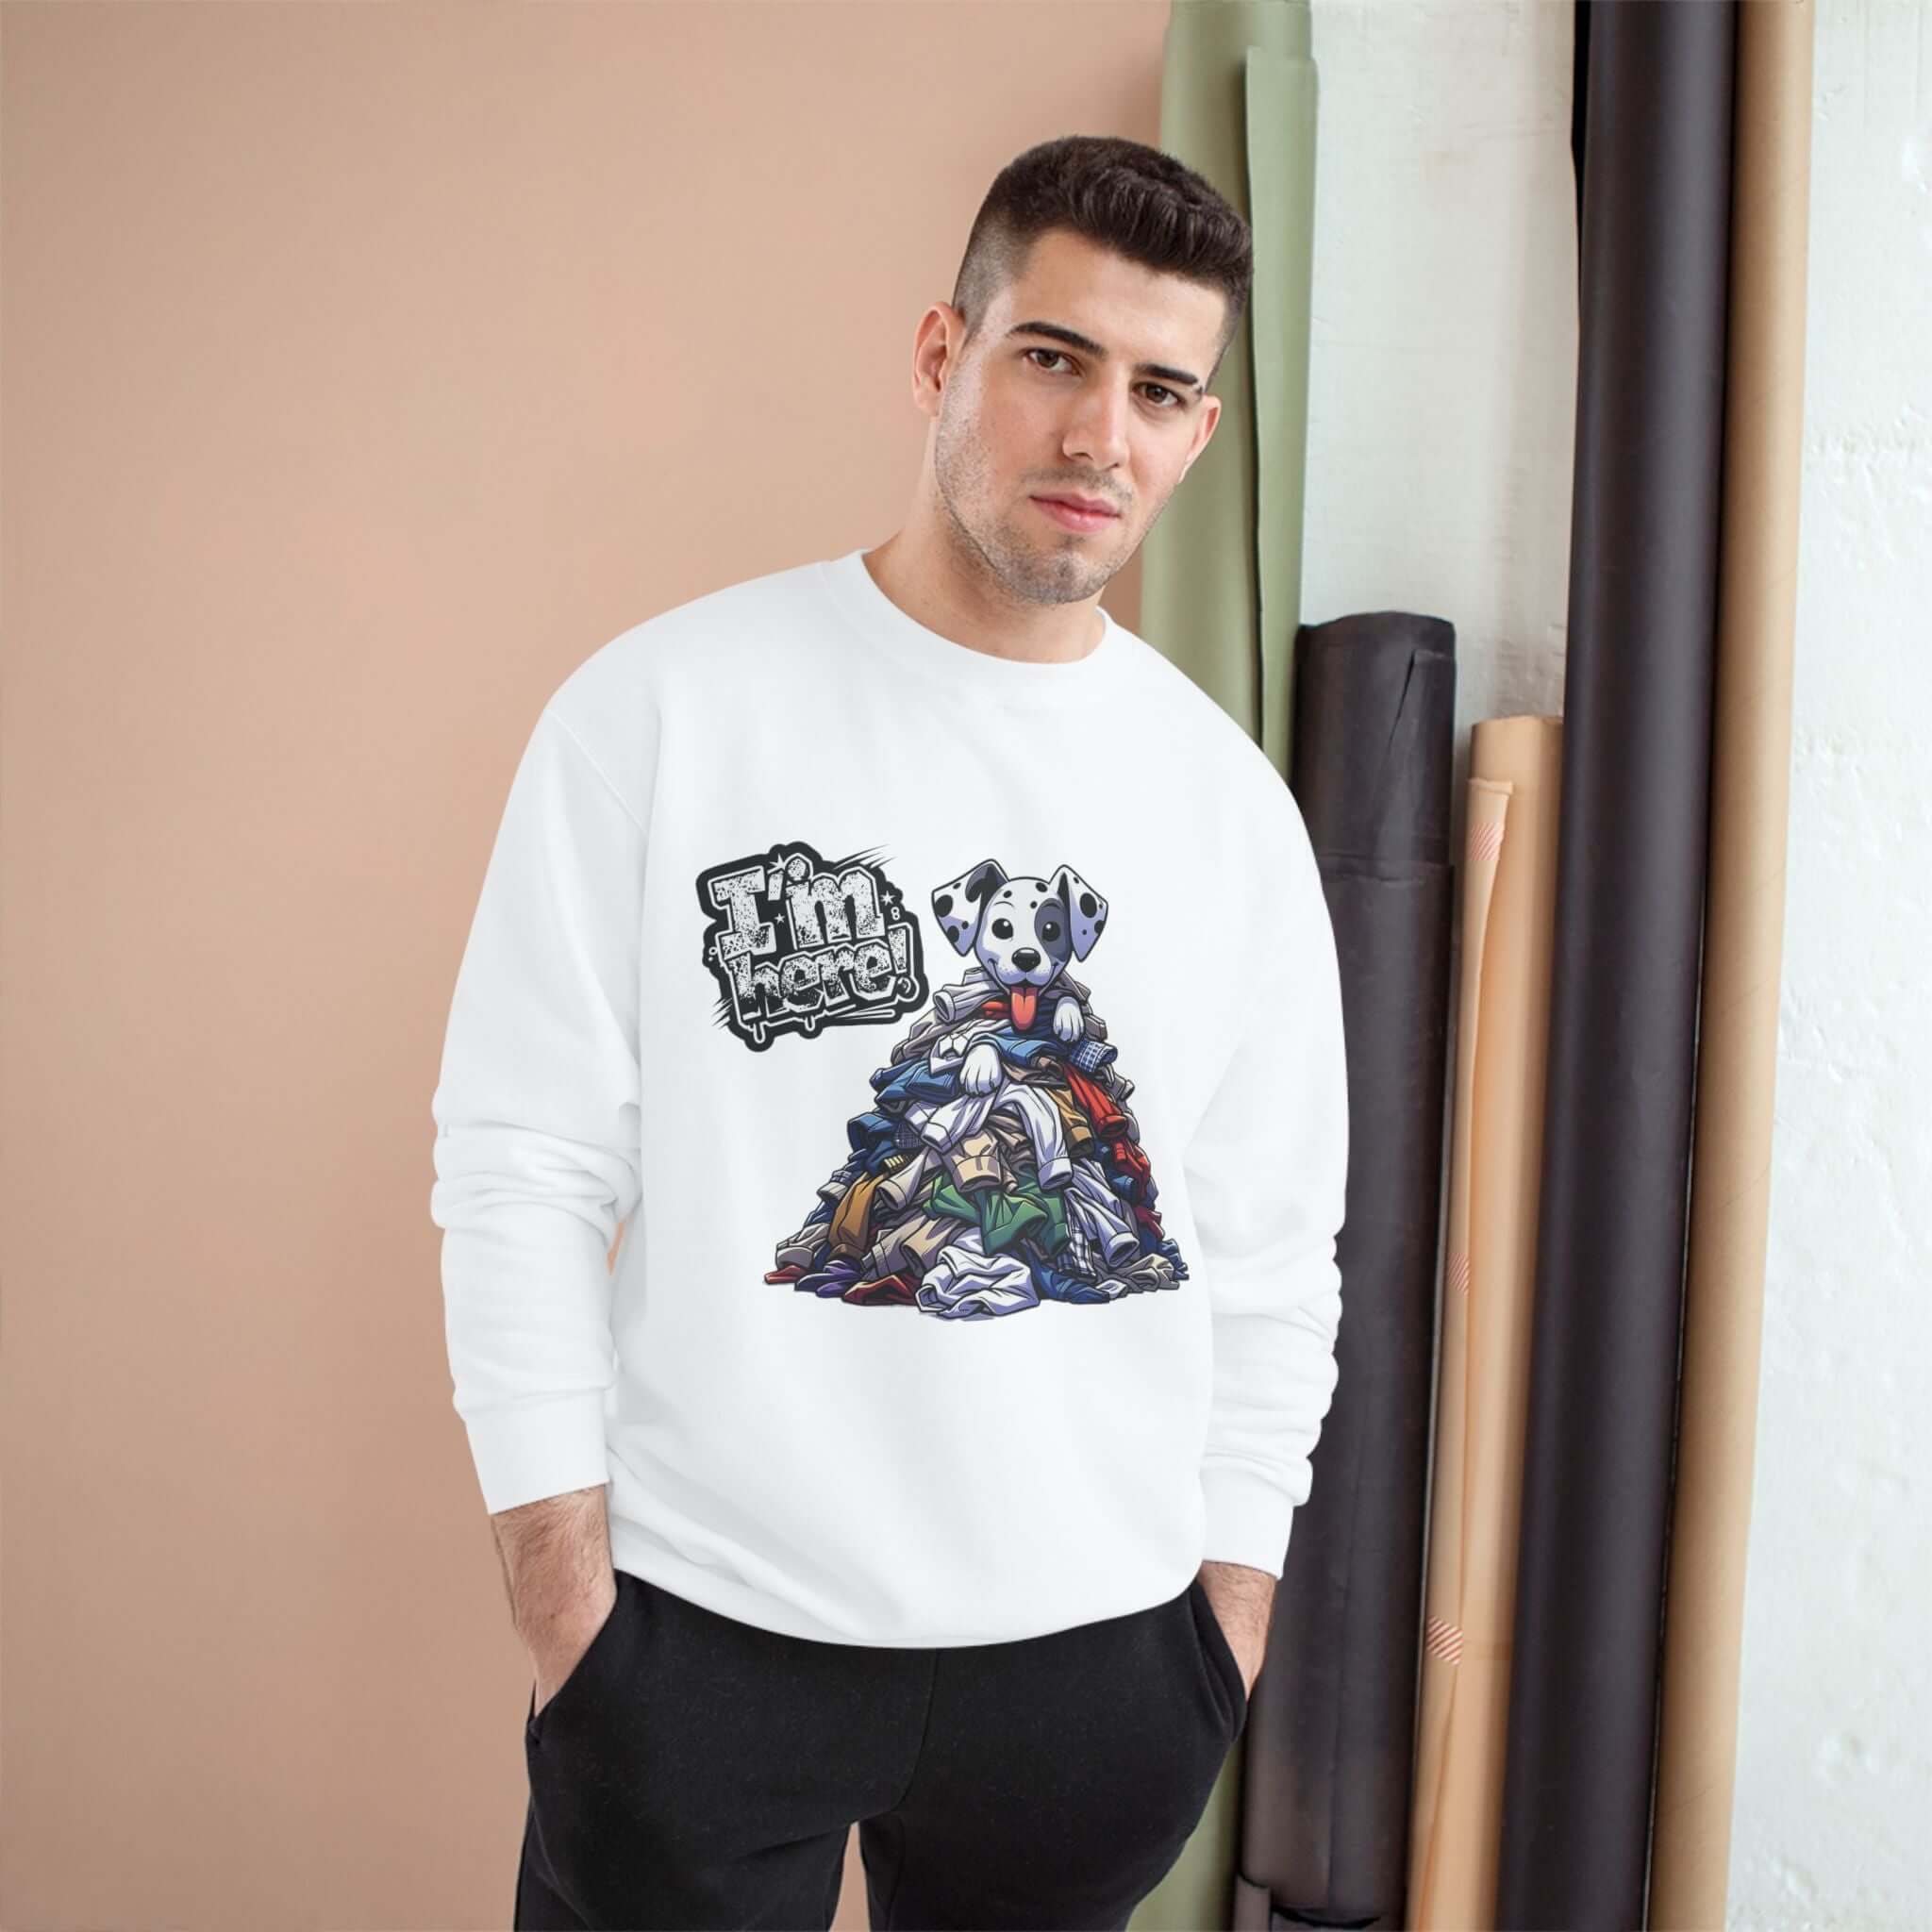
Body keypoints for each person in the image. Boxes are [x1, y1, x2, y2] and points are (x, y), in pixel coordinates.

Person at [428, 131, 1349, 1932]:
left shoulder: (1228, 808)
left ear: (1198, 436)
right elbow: (522, 1164)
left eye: (1159, 391)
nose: (1101, 436)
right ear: (943, 354)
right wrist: (565, 1600)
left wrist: (1222, 1627)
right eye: (1054, 357)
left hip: (1099, 1664)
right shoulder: (666, 711)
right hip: (701, 1638)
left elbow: (1272, 1253)